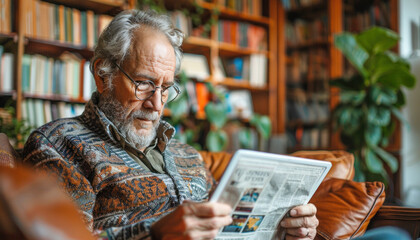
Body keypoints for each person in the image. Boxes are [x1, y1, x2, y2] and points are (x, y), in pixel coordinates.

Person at [22, 10, 318, 240]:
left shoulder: (187, 155)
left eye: (165, 88)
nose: (157, 103)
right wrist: (157, 233)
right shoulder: (58, 145)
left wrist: (284, 230)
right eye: (144, 83)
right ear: (103, 74)